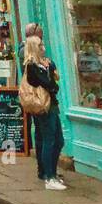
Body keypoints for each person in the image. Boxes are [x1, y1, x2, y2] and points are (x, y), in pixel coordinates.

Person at [24, 35, 67, 191]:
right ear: (35, 47)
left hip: (52, 104)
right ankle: (49, 177)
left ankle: (51, 173)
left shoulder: (45, 63)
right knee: (50, 140)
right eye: (40, 45)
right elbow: (48, 83)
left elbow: (55, 79)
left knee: (58, 140)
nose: (43, 47)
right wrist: (49, 73)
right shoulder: (31, 66)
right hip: (42, 106)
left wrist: (50, 69)